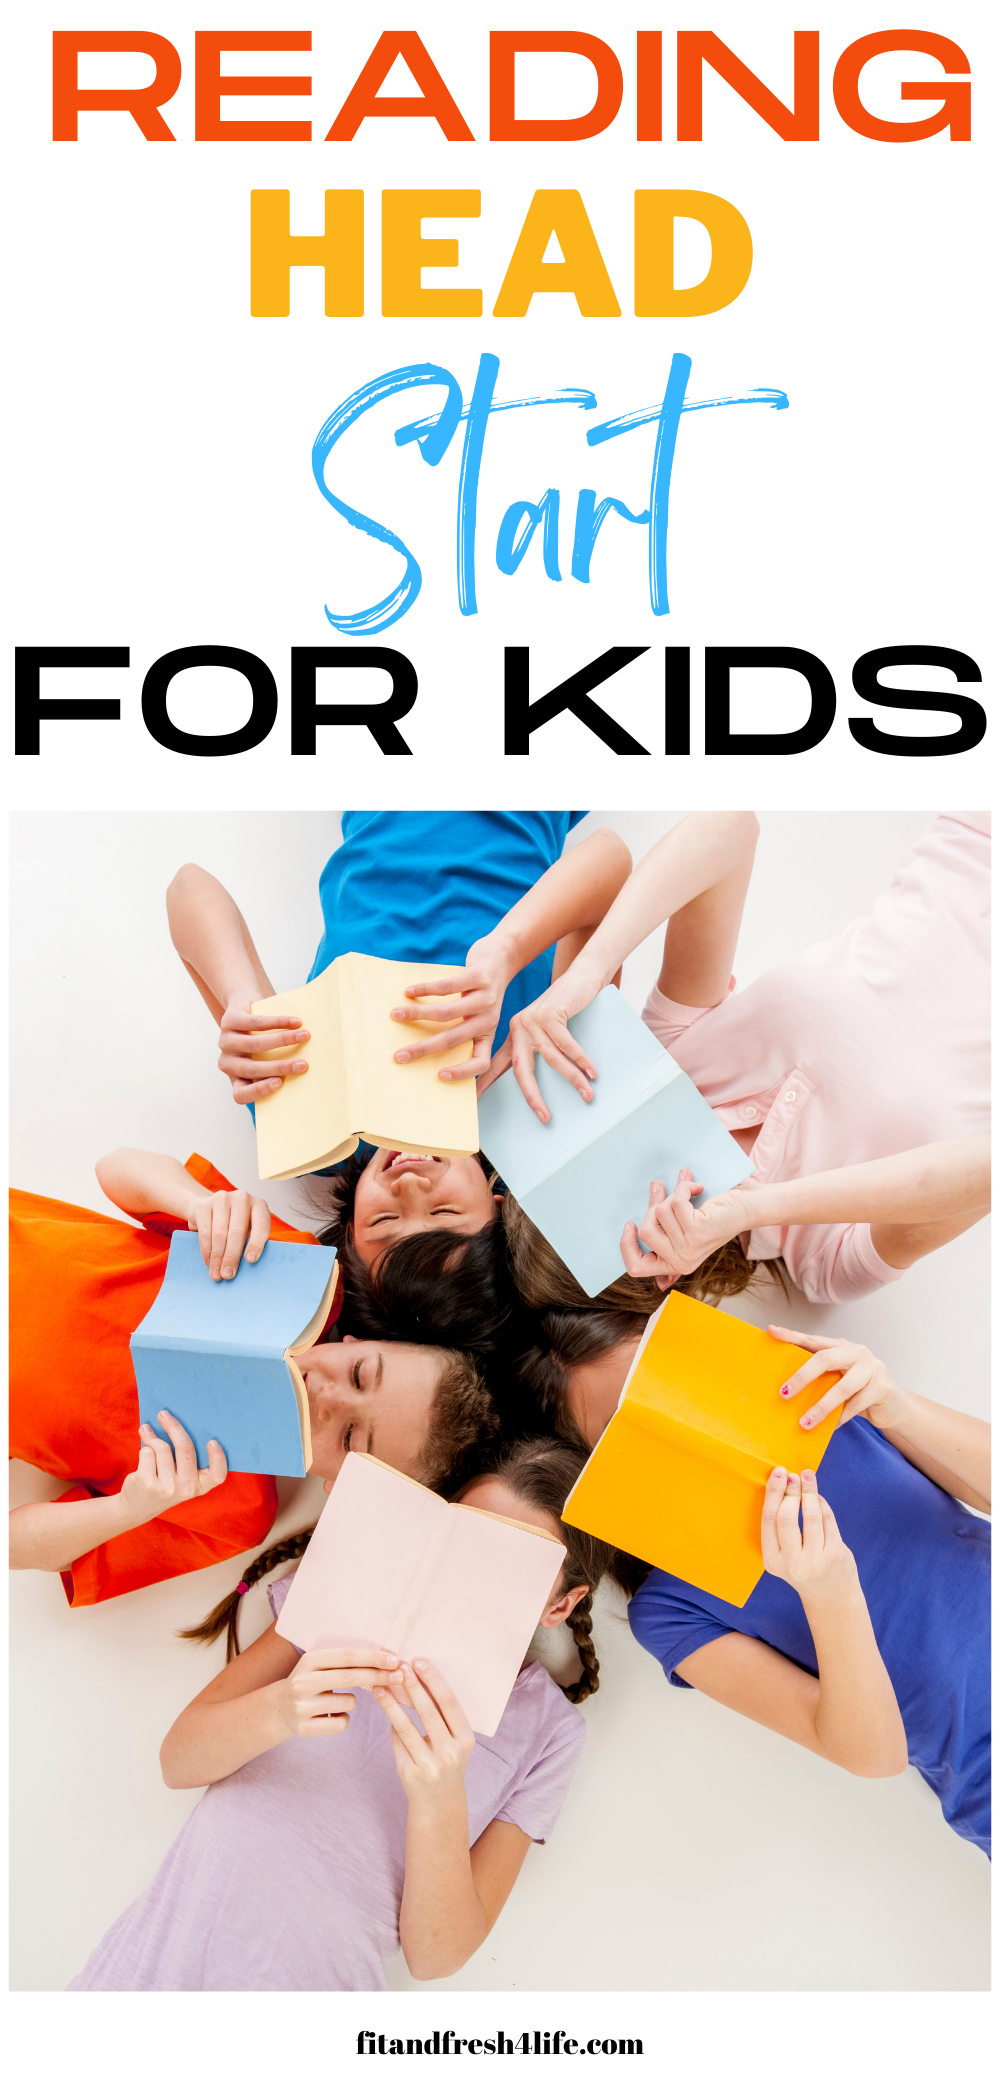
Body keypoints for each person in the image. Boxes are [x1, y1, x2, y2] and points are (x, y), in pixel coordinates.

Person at [68, 1440, 640, 1991]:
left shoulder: (548, 1733)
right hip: (147, 1979)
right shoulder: (339, 1597)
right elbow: (177, 1761)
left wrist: (439, 1800)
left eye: (514, 1567)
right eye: (471, 1543)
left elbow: (436, 1958)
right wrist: (280, 1710)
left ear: (560, 1605)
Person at [493, 811, 990, 1303]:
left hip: (972, 846)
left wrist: (589, 972)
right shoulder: (823, 1261)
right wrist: (755, 1208)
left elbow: (730, 827)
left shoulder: (670, 1064)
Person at [164, 817, 631, 1306]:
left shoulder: (315, 1130)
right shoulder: (537, 1098)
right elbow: (611, 859)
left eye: (384, 1220)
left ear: (349, 1227)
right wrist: (506, 953)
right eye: (445, 1212)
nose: (409, 1185)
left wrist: (240, 999)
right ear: (497, 1211)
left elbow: (187, 888)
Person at [10, 1149, 494, 1606]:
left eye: (350, 1436)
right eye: (359, 1374)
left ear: (339, 1485)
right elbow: (115, 1169)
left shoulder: (233, 1514)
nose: (328, 1398)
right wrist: (197, 1203)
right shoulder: (297, 1273)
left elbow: (14, 1545)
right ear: (357, 1342)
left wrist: (127, 1509)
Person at [628, 1333, 991, 1856]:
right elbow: (874, 1756)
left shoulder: (811, 1398)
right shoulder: (671, 1607)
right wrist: (832, 1598)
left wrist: (899, 1405)